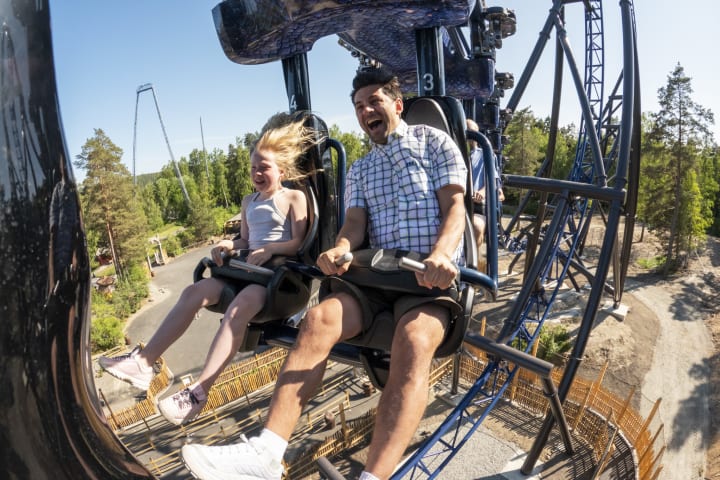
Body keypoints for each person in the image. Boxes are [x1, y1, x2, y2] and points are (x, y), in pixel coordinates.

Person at [181, 67, 468, 480]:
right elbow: (353, 225)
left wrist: (442, 254)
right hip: (375, 276)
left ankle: (373, 476)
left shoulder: (435, 144)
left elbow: (456, 206)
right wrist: (341, 248)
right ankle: (266, 453)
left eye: (374, 101)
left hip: (425, 278)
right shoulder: (361, 170)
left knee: (414, 338)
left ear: (397, 104)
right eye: (358, 105)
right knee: (317, 319)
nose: (366, 110)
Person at [98, 115, 321, 426]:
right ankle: (144, 363)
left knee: (236, 312)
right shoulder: (248, 201)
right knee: (194, 291)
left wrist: (270, 249)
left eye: (264, 168)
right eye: (253, 168)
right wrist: (229, 246)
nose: (257, 173)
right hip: (246, 270)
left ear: (281, 170)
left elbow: (299, 243)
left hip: (276, 279)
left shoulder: (294, 198)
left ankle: (199, 392)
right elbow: (244, 238)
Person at [467, 118, 504, 269]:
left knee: (475, 227)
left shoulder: (485, 155)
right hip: (457, 202)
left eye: (471, 134)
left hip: (476, 205)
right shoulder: (452, 153)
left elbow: (493, 183)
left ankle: (472, 264)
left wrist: (481, 193)